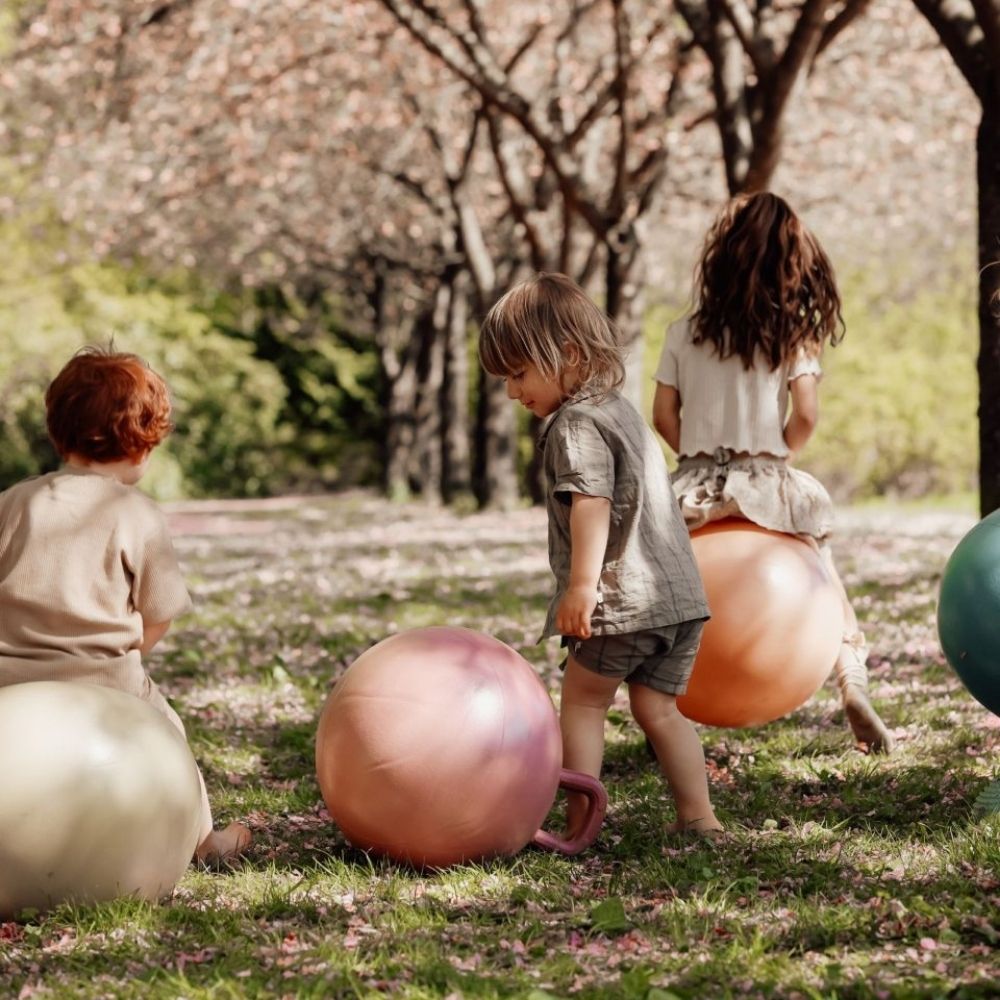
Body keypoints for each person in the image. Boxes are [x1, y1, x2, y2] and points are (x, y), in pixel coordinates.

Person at [479, 273, 722, 839]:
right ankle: (700, 818)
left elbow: (592, 501)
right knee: (660, 710)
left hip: (624, 601)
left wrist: (582, 586)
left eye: (518, 373)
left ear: (567, 354)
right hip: (679, 601)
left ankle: (578, 823)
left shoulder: (576, 424)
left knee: (584, 702)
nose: (513, 392)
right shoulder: (622, 413)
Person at [652, 191, 894, 753]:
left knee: (658, 588)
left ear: (720, 258)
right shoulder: (792, 336)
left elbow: (663, 414)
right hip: (764, 483)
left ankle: (653, 697)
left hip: (694, 486)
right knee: (822, 577)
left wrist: (691, 456)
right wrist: (779, 454)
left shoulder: (683, 332)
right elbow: (806, 414)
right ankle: (851, 680)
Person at [0, 346, 252, 862]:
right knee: (170, 732)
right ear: (141, 444)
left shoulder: (11, 503)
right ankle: (203, 840)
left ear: (58, 430)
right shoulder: (136, 513)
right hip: (105, 682)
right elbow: (158, 614)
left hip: (9, 682)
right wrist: (129, 644)